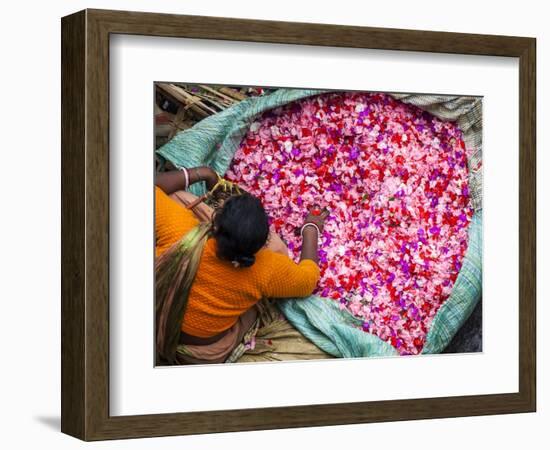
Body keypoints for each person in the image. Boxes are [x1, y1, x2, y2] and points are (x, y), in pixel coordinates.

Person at [155, 165, 329, 364]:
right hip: (202, 353)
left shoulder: (179, 230)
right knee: (278, 248)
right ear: (260, 246)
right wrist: (311, 229)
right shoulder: (265, 269)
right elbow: (308, 280)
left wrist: (203, 173)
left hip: (155, 321)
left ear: (215, 224)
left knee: (177, 197)